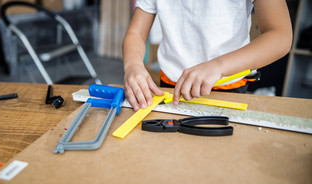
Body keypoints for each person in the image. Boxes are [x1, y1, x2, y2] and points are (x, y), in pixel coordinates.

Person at [122, 0, 292, 111]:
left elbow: (280, 35)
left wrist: (218, 66)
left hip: (228, 86)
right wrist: (133, 65)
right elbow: (136, 33)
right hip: (169, 86)